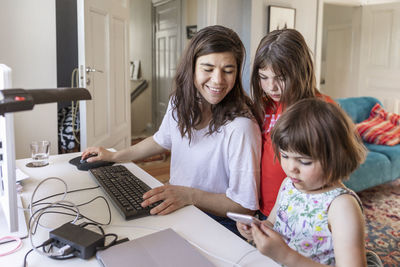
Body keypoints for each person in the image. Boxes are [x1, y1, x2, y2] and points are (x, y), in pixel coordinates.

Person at [82, 25, 261, 235]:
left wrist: (189, 196)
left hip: (217, 222)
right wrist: (115, 156)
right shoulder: (180, 102)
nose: (218, 80)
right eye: (208, 68)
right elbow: (160, 140)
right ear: (192, 67)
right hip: (179, 205)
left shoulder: (241, 127)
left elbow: (244, 206)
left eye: (228, 71)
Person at [238, 98, 372, 266]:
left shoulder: (341, 206)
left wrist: (285, 256)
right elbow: (272, 224)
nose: (291, 167)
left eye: (305, 161)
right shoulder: (288, 185)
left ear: (335, 159)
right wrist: (257, 230)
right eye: (285, 156)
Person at [250, 29, 334, 218]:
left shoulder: (323, 109)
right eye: (264, 77)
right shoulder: (264, 107)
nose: (271, 87)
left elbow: (335, 169)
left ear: (300, 70)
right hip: (264, 210)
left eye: (280, 78)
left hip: (304, 213)